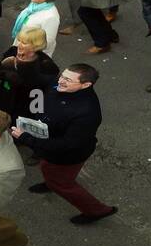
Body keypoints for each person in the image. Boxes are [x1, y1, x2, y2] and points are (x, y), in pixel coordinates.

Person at [15, 62, 116, 223]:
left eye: (68, 80)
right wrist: (26, 61)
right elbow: (40, 80)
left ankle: (96, 210)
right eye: (62, 76)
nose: (60, 81)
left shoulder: (86, 113)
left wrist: (26, 138)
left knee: (63, 183)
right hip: (50, 147)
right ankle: (50, 182)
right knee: (48, 169)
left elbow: (67, 145)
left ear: (86, 84)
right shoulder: (62, 85)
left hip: (66, 156)